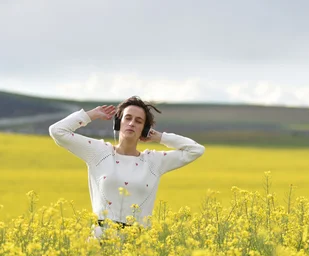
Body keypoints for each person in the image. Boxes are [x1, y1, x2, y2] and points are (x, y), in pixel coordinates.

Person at [49, 96, 205, 238]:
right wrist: (91, 115)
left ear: (144, 128)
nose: (131, 123)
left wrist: (159, 137)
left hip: (137, 245)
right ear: (118, 122)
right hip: (100, 241)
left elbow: (196, 149)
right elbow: (57, 131)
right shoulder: (98, 152)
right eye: (127, 118)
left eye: (138, 121)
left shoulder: (153, 162)